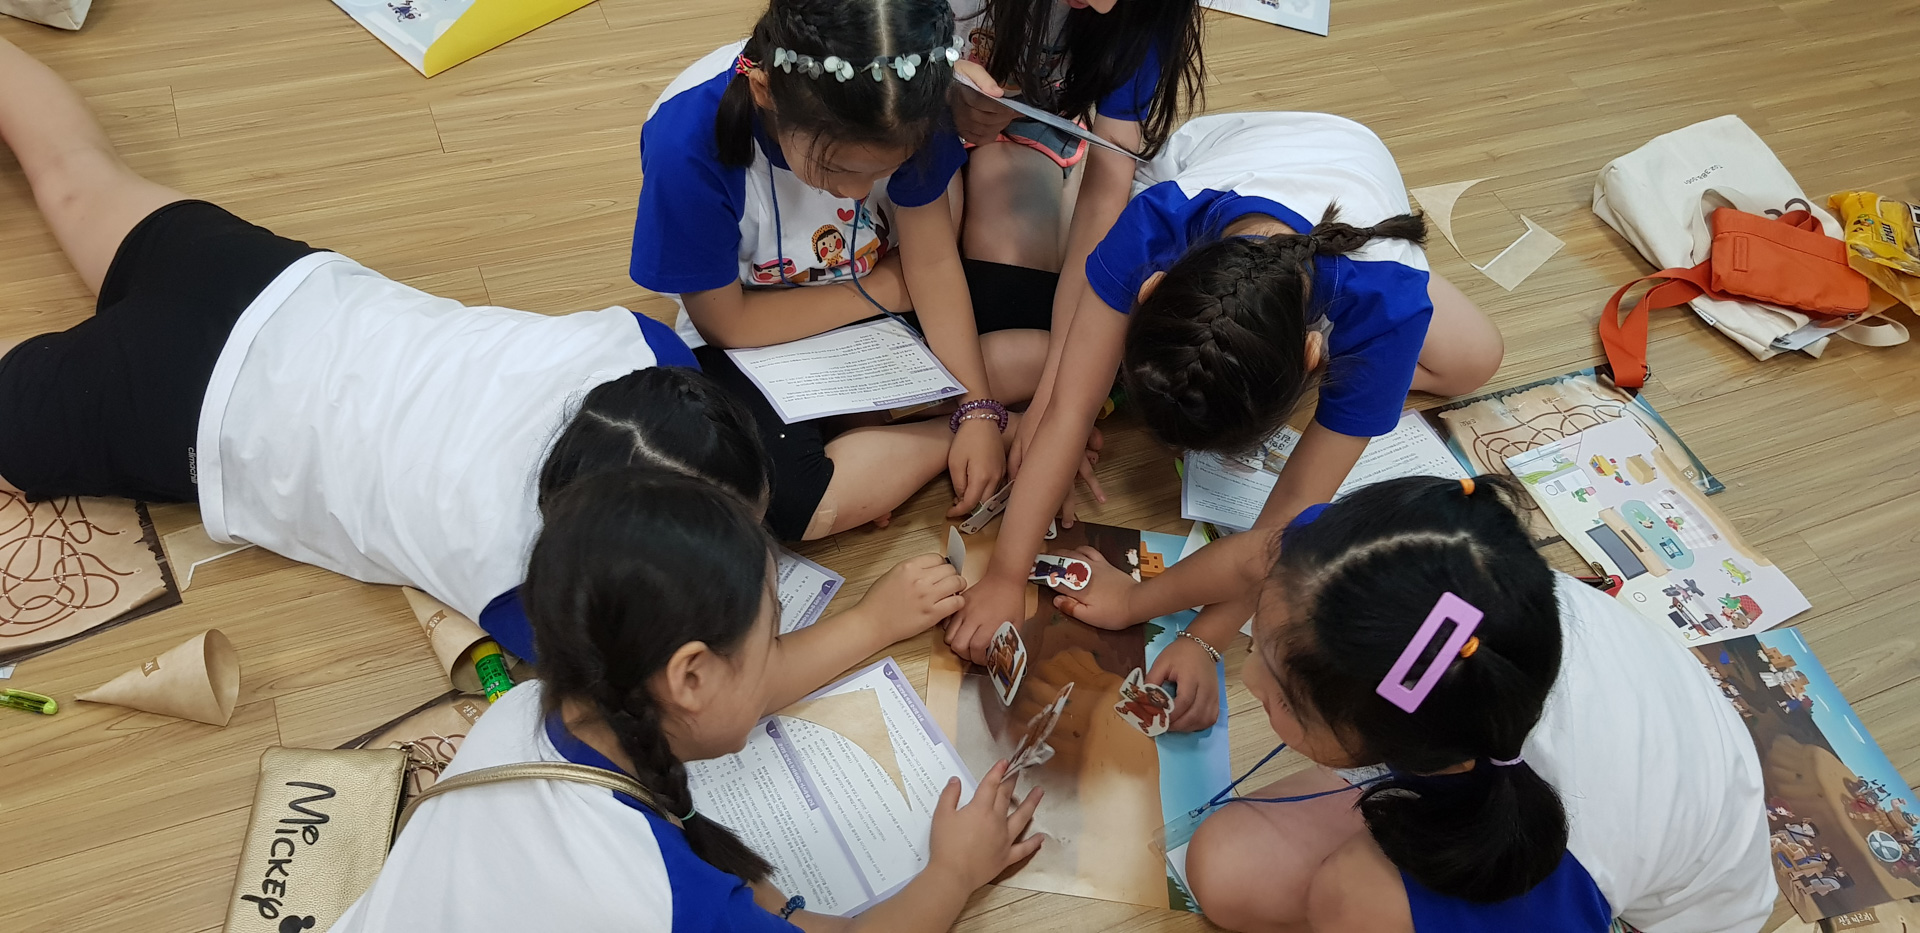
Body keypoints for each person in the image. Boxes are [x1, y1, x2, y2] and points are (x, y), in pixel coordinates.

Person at [0, 37, 946, 655]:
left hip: (276, 290)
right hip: (187, 413)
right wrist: (870, 622)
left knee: (74, 173)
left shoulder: (631, 349)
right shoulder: (526, 591)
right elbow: (708, 710)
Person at [951, 112, 1506, 731]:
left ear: (1313, 356)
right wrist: (1005, 575)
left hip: (1357, 232)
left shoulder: (1389, 307)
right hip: (1226, 175)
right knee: (1081, 369)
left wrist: (1207, 637)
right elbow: (1067, 412)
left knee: (1474, 361)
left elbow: (1286, 523)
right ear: (1151, 289)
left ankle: (1304, 350)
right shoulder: (1157, 222)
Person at [333, 469, 1043, 932]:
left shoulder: (524, 711)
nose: (775, 657)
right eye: (771, 638)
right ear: (691, 678)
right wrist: (954, 871)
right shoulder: (662, 898)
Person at [1175, 476, 1772, 932]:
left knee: (1355, 899)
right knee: (1230, 869)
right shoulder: (1387, 577)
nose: (1250, 678)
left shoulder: (1556, 863)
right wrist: (1146, 609)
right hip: (1571, 776)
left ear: (1392, 743)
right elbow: (1260, 558)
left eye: (1285, 699)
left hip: (1639, 897)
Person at [631, 0, 1053, 542]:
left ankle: (873, 428)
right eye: (836, 168)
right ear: (764, 93)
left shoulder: (909, 102)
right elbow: (727, 323)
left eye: (885, 170)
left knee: (1073, 332)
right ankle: (918, 427)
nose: (856, 191)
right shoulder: (688, 142)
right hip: (763, 334)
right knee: (785, 499)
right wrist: (881, 290)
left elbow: (931, 262)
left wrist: (976, 410)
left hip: (889, 293)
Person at [947, 0, 1205, 393]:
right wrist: (939, 89)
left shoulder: (1147, 14)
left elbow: (1106, 187)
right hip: (915, 107)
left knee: (1010, 304)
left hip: (1028, 117)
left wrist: (1059, 387)